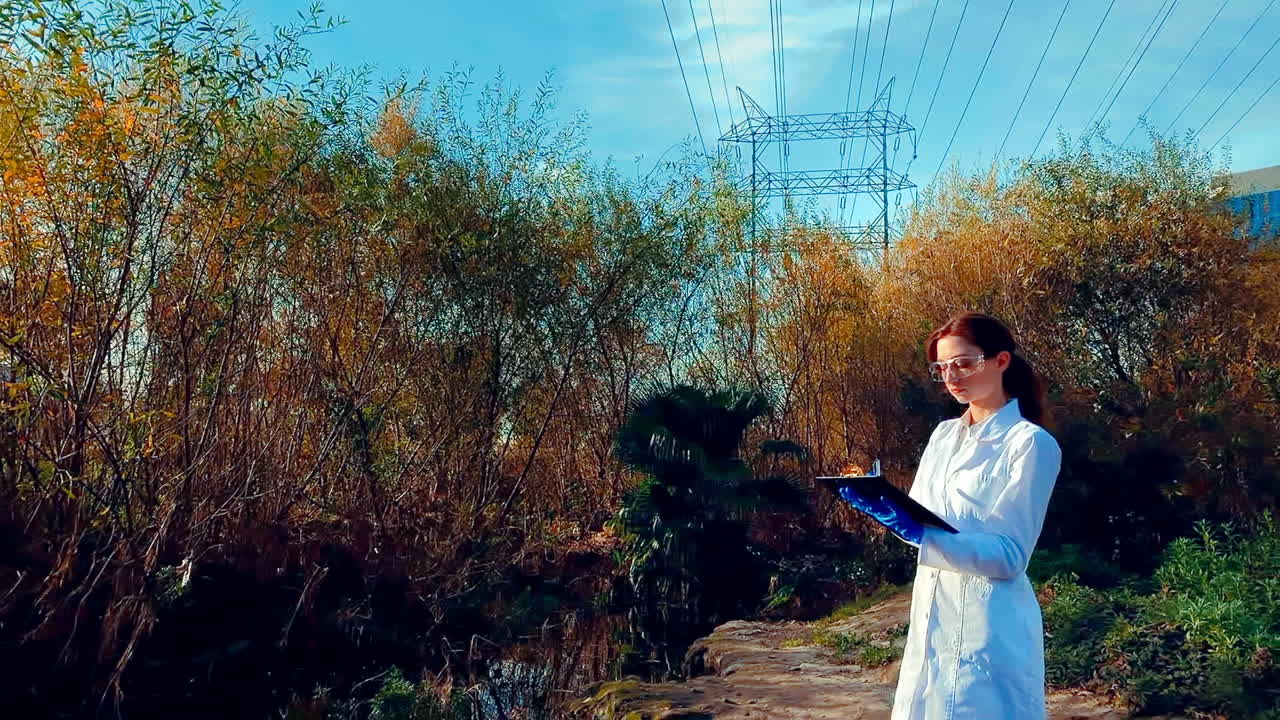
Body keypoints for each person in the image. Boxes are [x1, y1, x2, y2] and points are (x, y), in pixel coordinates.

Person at [839, 312, 1062, 720]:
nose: (951, 376)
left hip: (990, 623)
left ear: (1001, 361)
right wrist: (888, 510)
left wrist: (923, 536)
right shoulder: (943, 436)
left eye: (963, 363)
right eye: (942, 367)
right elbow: (920, 521)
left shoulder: (1030, 444)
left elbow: (1010, 555)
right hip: (932, 614)